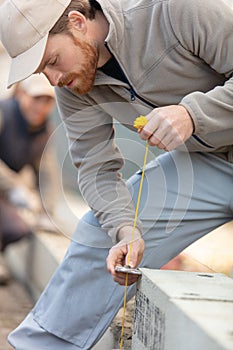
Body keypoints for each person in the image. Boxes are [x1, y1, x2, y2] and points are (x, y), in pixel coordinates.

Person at [0, 0, 232, 348]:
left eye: (51, 61)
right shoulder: (74, 85)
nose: (53, 80)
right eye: (41, 74)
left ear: (77, 22)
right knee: (101, 232)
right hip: (212, 164)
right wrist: (125, 229)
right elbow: (95, 166)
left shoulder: (178, 10)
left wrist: (193, 115)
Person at [0, 74, 58, 253]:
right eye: (36, 99)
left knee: (19, 227)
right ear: (21, 94)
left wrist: (46, 213)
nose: (40, 107)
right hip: (5, 187)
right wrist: (15, 188)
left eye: (47, 101)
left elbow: (47, 174)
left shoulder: (43, 131)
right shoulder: (3, 113)